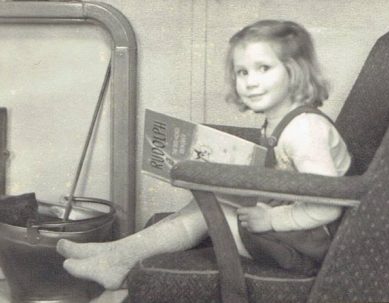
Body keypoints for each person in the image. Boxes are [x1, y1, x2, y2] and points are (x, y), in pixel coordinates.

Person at [56, 19, 351, 290]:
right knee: (209, 199)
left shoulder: (305, 131)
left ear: (295, 69)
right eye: (242, 72)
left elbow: (328, 207)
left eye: (264, 68)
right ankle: (116, 253)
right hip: (293, 231)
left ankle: (118, 260)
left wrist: (271, 219)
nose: (250, 81)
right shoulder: (283, 120)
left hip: (305, 248)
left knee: (210, 207)